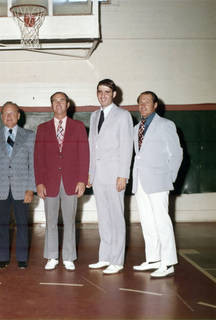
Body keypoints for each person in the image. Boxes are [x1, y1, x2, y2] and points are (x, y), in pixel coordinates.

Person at [34, 92, 89, 271]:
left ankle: (68, 257)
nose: (58, 104)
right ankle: (51, 256)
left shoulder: (79, 127)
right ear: (51, 105)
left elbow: (84, 156)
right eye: (55, 101)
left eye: (62, 100)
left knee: (69, 220)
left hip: (71, 182)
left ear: (68, 105)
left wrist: (82, 179)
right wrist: (39, 182)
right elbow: (38, 158)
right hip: (49, 182)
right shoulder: (42, 128)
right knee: (50, 221)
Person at [132, 91, 183, 278]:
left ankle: (168, 263)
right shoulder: (136, 127)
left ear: (155, 105)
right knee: (147, 221)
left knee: (162, 222)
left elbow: (176, 154)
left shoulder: (166, 125)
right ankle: (153, 259)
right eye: (140, 102)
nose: (143, 105)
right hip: (140, 181)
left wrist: (169, 178)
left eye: (147, 102)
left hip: (159, 181)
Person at [87, 79, 133, 274]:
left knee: (116, 217)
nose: (103, 95)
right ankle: (104, 257)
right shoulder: (94, 115)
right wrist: (90, 173)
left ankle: (117, 260)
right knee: (104, 217)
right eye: (100, 91)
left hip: (115, 175)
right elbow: (91, 146)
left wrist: (123, 175)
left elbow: (126, 146)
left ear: (114, 94)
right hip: (98, 176)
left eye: (107, 92)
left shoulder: (123, 116)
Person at [0, 102, 35, 269]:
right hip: (0, 189)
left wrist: (30, 188)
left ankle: (22, 258)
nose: (9, 116)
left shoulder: (29, 135)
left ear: (19, 115)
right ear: (1, 116)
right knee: (2, 225)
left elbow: (34, 165)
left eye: (12, 113)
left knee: (22, 224)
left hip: (22, 189)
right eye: (5, 113)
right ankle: (3, 258)